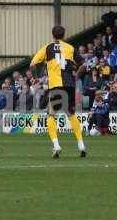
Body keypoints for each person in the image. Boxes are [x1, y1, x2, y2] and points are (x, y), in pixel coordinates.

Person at [30, 25, 87, 159]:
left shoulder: (47, 47)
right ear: (64, 34)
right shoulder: (70, 48)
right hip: (69, 85)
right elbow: (84, 65)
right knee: (71, 114)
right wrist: (76, 76)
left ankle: (56, 145)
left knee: (51, 114)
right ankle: (81, 145)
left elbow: (32, 64)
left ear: (52, 34)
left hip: (56, 85)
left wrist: (35, 77)